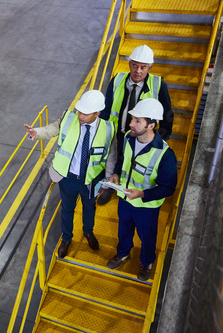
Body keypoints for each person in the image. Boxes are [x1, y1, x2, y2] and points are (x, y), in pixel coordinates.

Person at [24, 90, 116, 258]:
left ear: (97, 113)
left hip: (91, 180)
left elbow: (111, 156)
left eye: (85, 113)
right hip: (67, 177)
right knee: (67, 209)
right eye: (79, 110)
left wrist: (107, 181)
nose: (80, 115)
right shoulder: (68, 117)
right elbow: (52, 128)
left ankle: (88, 232)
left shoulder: (109, 129)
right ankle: (66, 238)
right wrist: (37, 133)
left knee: (89, 207)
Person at [106, 98, 177, 281]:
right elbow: (123, 160)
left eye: (138, 121)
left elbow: (168, 188)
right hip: (125, 199)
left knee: (147, 237)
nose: (131, 124)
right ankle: (123, 253)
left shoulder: (164, 154)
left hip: (146, 207)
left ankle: (147, 262)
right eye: (132, 119)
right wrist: (115, 174)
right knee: (124, 230)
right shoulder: (129, 138)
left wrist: (143, 194)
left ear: (151, 125)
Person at [97, 44, 173, 205]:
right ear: (129, 64)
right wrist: (103, 129)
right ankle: (112, 186)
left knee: (133, 162)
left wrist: (158, 140)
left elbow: (167, 115)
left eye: (143, 67)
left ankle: (132, 190)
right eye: (135, 66)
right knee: (114, 159)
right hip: (119, 131)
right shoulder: (117, 80)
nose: (138, 71)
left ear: (150, 67)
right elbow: (107, 107)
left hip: (140, 136)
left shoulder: (158, 85)